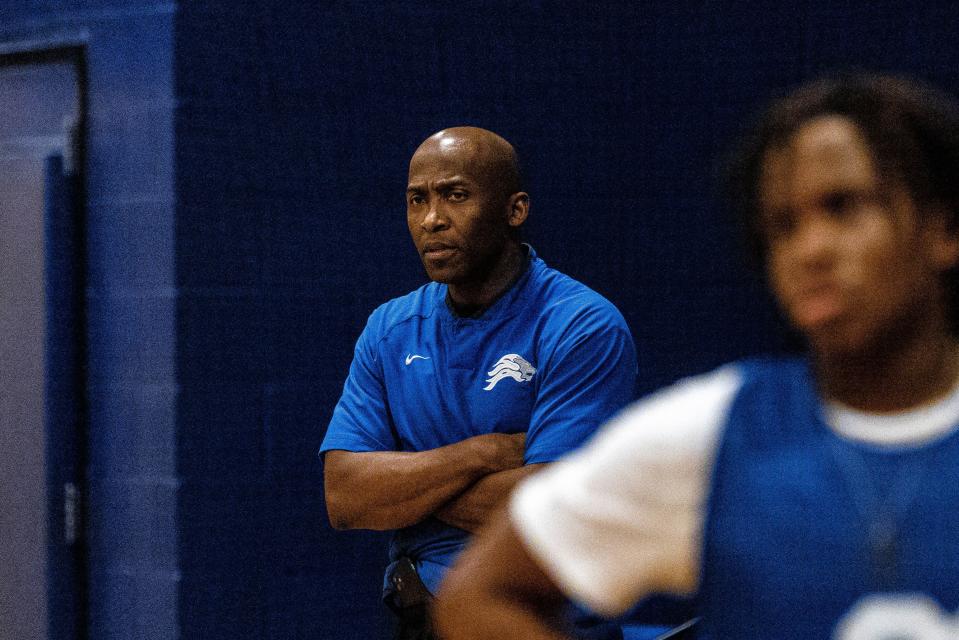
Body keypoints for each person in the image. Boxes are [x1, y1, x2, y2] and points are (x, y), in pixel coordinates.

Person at [434, 74, 959, 640]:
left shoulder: (582, 324)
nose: (812, 249)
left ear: (943, 228)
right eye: (783, 226)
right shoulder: (707, 434)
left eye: (843, 207)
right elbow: (477, 597)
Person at [320, 126, 638, 639]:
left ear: (515, 210)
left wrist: (408, 497)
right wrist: (483, 455)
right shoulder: (389, 328)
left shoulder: (582, 325)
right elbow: (345, 498)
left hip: (539, 624)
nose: (432, 219)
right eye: (416, 199)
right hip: (421, 619)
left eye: (456, 195)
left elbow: (554, 510)